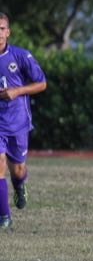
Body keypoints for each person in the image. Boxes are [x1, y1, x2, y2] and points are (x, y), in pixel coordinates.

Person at [0, 13, 47, 230]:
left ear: (8, 32)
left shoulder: (20, 56)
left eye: (2, 29)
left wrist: (17, 91)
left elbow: (41, 83)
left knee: (17, 170)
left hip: (17, 122)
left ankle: (19, 186)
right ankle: (5, 218)